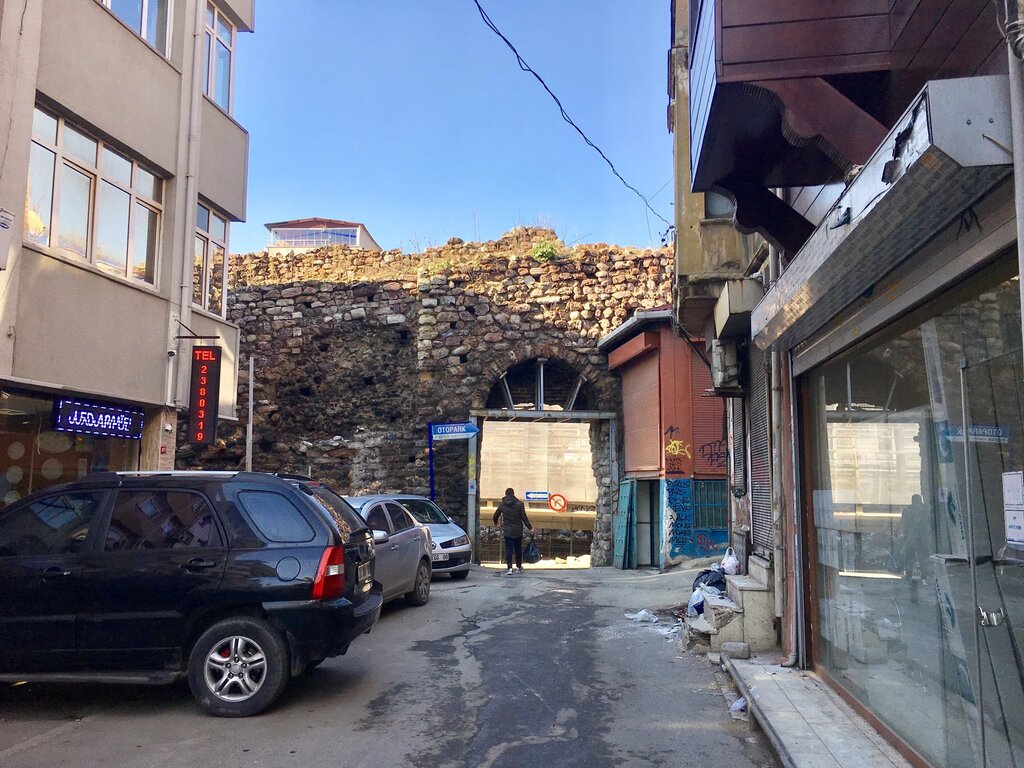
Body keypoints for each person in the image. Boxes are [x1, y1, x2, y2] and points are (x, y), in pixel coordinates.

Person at [493, 487, 534, 574]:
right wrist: (530, 528)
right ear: (513, 494)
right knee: (518, 549)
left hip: (507, 530)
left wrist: (496, 522)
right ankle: (518, 567)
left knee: (508, 549)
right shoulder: (520, 504)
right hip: (518, 530)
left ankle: (509, 568)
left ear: (506, 494)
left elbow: (495, 515)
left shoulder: (502, 504)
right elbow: (524, 517)